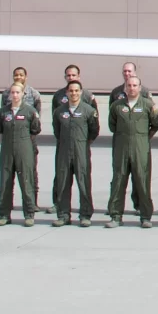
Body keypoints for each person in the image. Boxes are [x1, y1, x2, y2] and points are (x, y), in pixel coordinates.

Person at [105, 63, 158, 227]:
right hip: (121, 147)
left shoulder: (148, 105)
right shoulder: (117, 106)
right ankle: (115, 216)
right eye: (129, 85)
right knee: (118, 180)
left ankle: (145, 217)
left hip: (140, 148)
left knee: (142, 181)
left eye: (135, 85)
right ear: (125, 88)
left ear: (140, 87)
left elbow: (156, 124)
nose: (132, 88)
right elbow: (112, 125)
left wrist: (143, 137)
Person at [0, 70, 42, 225]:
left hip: (24, 149)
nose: (14, 95)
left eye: (17, 92)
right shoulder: (3, 112)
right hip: (7, 150)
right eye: (12, 92)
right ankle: (4, 214)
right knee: (6, 181)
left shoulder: (30, 111)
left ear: (22, 94)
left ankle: (29, 214)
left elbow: (35, 129)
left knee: (26, 181)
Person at [51, 73, 98, 226]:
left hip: (81, 151)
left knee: (84, 182)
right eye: (71, 91)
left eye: (76, 91)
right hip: (64, 152)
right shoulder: (59, 112)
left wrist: (83, 142)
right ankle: (63, 214)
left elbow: (94, 130)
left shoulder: (88, 111)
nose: (74, 93)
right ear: (67, 93)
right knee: (63, 183)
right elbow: (57, 131)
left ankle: (85, 215)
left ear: (81, 92)